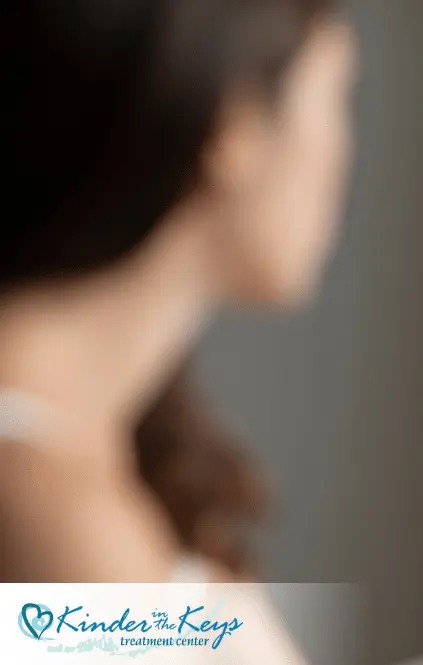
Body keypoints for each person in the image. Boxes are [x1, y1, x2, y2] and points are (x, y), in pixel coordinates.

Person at [0, 0, 356, 661]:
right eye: (337, 101)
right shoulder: (50, 517)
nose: (341, 156)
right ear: (233, 131)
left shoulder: (85, 458)